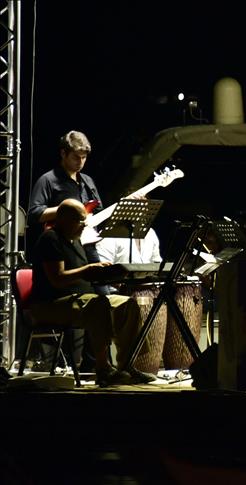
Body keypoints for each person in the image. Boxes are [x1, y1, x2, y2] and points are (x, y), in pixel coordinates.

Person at [28, 199, 157, 386]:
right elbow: (58, 278)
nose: (84, 225)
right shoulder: (51, 239)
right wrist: (88, 269)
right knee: (98, 304)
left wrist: (109, 273)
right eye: (80, 220)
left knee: (126, 303)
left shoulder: (75, 241)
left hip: (79, 299)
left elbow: (87, 275)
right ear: (63, 219)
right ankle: (103, 369)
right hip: (50, 304)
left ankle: (126, 365)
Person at [26, 131, 105, 370]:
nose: (80, 162)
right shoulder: (49, 180)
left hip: (87, 243)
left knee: (102, 293)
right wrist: (66, 209)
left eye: (84, 157)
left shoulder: (87, 181)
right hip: (61, 247)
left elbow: (95, 212)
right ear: (63, 153)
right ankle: (81, 362)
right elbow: (34, 213)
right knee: (81, 297)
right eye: (75, 157)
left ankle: (96, 364)